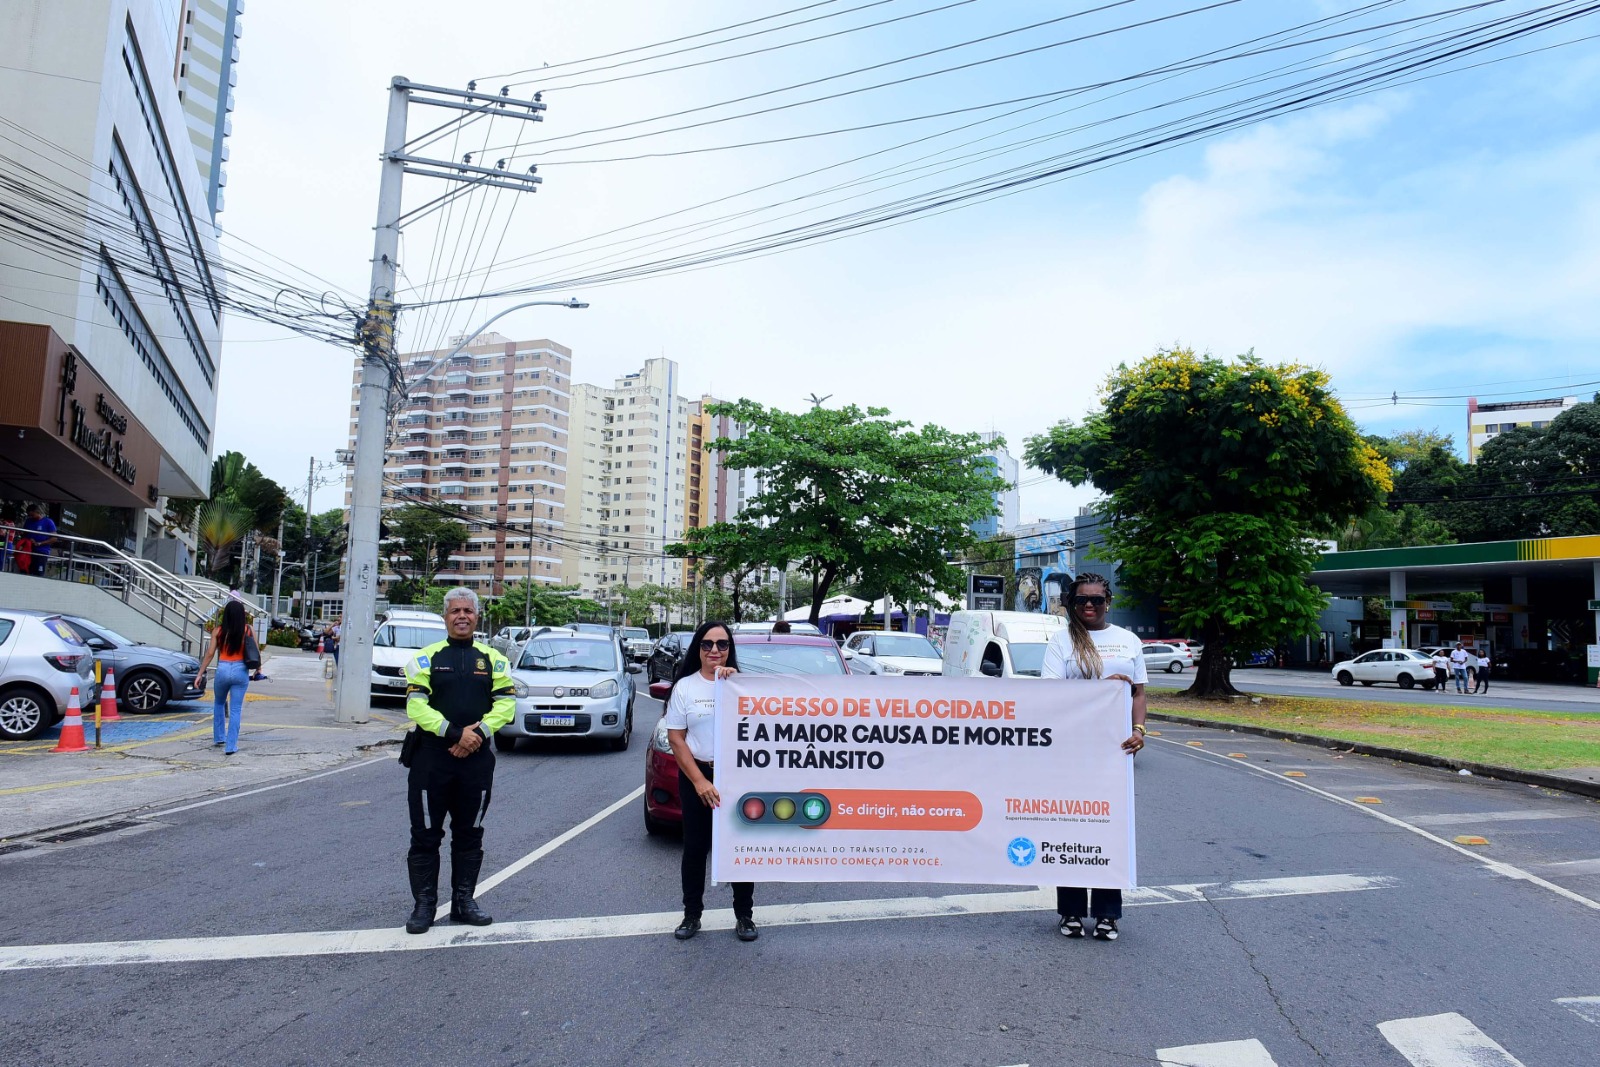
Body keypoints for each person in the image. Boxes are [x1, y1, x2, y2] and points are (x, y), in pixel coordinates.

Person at [402, 587, 515, 935]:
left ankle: (464, 902)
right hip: (430, 761)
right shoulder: (425, 658)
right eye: (455, 611)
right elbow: (416, 706)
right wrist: (454, 733)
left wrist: (476, 736)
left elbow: (506, 706)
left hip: (476, 762)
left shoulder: (494, 659)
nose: (462, 616)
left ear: (477, 616)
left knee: (470, 835)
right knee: (425, 836)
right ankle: (425, 906)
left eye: (468, 610)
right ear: (445, 616)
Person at [1040, 572, 1146, 943]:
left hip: (1114, 755)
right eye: (1082, 600)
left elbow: (1138, 694)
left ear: (1108, 602)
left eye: (1097, 600)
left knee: (1108, 831)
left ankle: (1106, 915)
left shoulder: (1129, 641)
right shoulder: (1061, 641)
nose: (1089, 606)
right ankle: (1070, 911)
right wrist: (1104, 687)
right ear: (1071, 604)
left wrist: (1139, 731)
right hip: (1070, 752)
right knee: (1070, 828)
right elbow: (1052, 696)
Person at [664, 620, 756, 942]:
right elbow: (676, 738)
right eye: (707, 644)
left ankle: (744, 915)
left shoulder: (743, 686)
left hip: (737, 778)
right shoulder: (685, 687)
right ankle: (692, 914)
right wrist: (701, 781)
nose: (715, 650)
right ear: (698, 649)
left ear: (730, 649)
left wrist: (734, 684)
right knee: (695, 848)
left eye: (722, 644)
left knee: (740, 845)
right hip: (696, 775)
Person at [193, 599, 254, 755]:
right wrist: (258, 669)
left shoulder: (218, 631)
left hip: (223, 668)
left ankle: (219, 737)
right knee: (235, 710)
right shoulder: (248, 630)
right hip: (241, 670)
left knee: (219, 703)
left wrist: (200, 673)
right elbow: (255, 652)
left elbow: (210, 654)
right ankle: (231, 746)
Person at [22, 504, 54, 576]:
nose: (31, 517)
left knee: (38, 573)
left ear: (37, 512)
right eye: (29, 515)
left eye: (32, 515)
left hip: (41, 552)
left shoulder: (48, 522)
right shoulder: (28, 521)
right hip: (28, 550)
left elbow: (54, 538)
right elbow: (24, 534)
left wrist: (39, 543)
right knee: (26, 572)